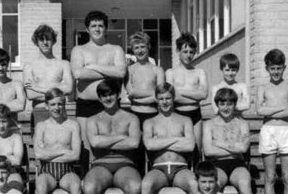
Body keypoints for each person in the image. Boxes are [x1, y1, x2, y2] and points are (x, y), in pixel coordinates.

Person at [139, 82, 198, 194]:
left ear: (173, 99)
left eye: (168, 98)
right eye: (161, 98)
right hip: (159, 168)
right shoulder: (149, 122)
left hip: (180, 167)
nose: (165, 102)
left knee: (194, 183)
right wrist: (177, 139)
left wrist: (161, 142)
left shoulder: (185, 120)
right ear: (156, 100)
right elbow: (149, 146)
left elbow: (190, 146)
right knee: (146, 184)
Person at [83, 79, 141, 194]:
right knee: (89, 189)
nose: (108, 98)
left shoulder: (131, 118)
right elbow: (94, 143)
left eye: (111, 94)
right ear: (100, 98)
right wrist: (122, 136)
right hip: (101, 163)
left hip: (125, 163)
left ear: (118, 95)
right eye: (104, 95)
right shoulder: (93, 120)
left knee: (135, 187)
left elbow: (134, 143)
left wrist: (104, 139)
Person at [203, 88, 260, 194]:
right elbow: (208, 151)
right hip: (217, 164)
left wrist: (219, 143)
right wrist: (233, 146)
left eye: (230, 103)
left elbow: (243, 149)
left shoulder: (242, 123)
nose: (226, 107)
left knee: (244, 183)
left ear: (235, 105)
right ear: (217, 105)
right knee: (215, 184)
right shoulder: (209, 124)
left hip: (237, 164)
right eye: (222, 103)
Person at [70, 10, 126, 165]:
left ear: (106, 28)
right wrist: (109, 71)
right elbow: (78, 73)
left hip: (110, 105)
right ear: (87, 29)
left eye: (100, 25)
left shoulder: (115, 49)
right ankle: (86, 182)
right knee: (86, 148)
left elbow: (121, 72)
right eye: (93, 26)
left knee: (109, 145)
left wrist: (93, 66)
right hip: (86, 105)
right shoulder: (79, 50)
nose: (97, 29)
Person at [34, 88, 82, 194]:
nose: (56, 107)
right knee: (40, 188)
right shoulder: (41, 126)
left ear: (65, 105)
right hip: (47, 170)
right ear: (47, 106)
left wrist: (50, 154)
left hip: (67, 170)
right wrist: (62, 151)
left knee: (76, 188)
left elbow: (75, 155)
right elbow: (38, 154)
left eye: (60, 104)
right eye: (53, 104)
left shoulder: (72, 125)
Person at [256, 49, 288, 194]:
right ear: (267, 68)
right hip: (269, 132)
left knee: (287, 176)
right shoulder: (262, 88)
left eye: (279, 68)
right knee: (270, 176)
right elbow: (259, 110)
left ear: (284, 68)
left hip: (287, 131)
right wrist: (282, 109)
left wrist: (270, 110)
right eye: (272, 68)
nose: (275, 72)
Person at [125, 31, 165, 174]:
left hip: (153, 114)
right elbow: (131, 92)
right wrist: (151, 94)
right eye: (136, 48)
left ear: (148, 47)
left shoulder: (157, 69)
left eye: (143, 46)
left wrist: (139, 95)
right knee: (138, 151)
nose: (140, 50)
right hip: (135, 115)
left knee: (154, 150)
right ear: (132, 50)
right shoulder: (129, 70)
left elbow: (160, 95)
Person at [165, 32, 208, 163]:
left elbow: (204, 94)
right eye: (185, 51)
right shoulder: (170, 73)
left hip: (195, 114)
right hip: (178, 113)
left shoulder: (199, 72)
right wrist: (193, 94)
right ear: (178, 51)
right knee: (179, 149)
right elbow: (172, 97)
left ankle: (196, 177)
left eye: (191, 52)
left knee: (196, 150)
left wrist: (179, 91)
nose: (188, 55)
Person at [23, 24, 73, 132]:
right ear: (36, 42)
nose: (45, 43)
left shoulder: (64, 64)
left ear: (54, 41)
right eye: (41, 39)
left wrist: (38, 88)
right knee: (40, 145)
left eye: (48, 39)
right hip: (39, 111)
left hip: (59, 111)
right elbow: (31, 94)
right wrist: (58, 89)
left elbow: (69, 89)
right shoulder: (29, 66)